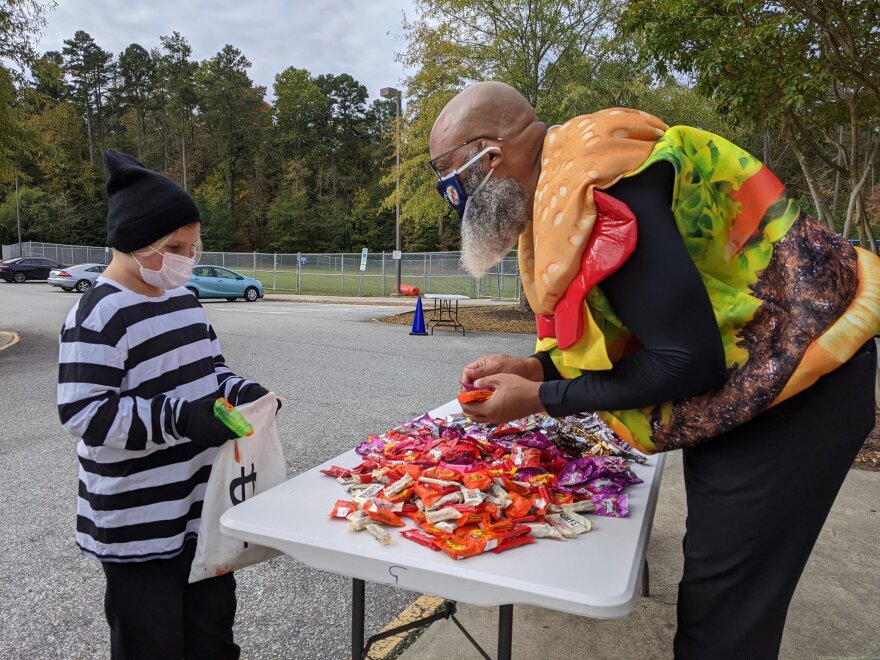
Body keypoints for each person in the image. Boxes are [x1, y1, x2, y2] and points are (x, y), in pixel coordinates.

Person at [428, 81, 880, 658]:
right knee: (718, 575)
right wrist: (538, 368)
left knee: (722, 619)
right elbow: (649, 322)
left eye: (453, 181)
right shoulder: (577, 158)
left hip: (798, 388)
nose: (457, 201)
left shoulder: (592, 191)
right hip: (767, 367)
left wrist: (540, 400)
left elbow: (687, 363)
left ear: (490, 158)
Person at [57, 150, 276, 659]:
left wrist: (243, 394)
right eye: (175, 247)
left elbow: (211, 372)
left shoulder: (184, 300)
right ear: (132, 244)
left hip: (202, 513)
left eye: (193, 247)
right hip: (137, 526)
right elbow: (85, 414)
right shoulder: (99, 314)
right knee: (151, 646)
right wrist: (183, 418)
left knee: (213, 638)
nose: (187, 260)